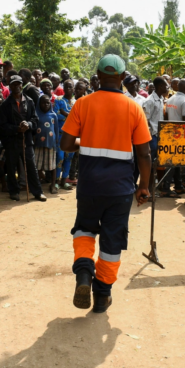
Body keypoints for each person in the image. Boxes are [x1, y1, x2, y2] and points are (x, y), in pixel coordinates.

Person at [60, 54, 152, 314]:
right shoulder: (134, 107)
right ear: (122, 77)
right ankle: (102, 296)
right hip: (120, 190)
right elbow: (144, 153)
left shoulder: (83, 103)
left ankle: (84, 274)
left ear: (98, 76)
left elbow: (66, 144)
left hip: (89, 186)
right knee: (112, 242)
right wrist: (143, 186)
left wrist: (87, 143)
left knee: (84, 230)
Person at [0, 75, 46, 202]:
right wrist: (16, 129)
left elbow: (35, 120)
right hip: (12, 141)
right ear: (10, 86)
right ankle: (14, 191)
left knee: (31, 166)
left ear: (21, 85)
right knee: (11, 167)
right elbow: (2, 126)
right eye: (14, 84)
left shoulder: (29, 101)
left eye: (19, 84)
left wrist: (28, 124)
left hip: (27, 140)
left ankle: (37, 192)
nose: (17, 86)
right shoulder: (5, 105)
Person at [161, 78, 185, 197]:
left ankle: (178, 186)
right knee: (173, 163)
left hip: (170, 134)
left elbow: (166, 117)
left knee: (176, 162)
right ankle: (166, 188)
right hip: (180, 136)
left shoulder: (170, 99)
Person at [54, 80, 76, 190]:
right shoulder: (58, 100)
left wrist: (65, 114)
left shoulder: (76, 102)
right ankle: (56, 181)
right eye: (66, 87)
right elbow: (56, 115)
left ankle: (64, 181)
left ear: (73, 88)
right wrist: (69, 116)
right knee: (60, 157)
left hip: (72, 135)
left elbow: (78, 118)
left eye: (70, 87)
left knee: (69, 157)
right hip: (60, 134)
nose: (68, 89)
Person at [34, 95, 59, 194]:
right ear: (39, 104)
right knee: (38, 165)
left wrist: (56, 141)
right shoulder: (36, 115)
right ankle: (38, 184)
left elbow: (56, 129)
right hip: (38, 144)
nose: (46, 105)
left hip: (50, 143)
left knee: (52, 165)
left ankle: (53, 184)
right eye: (43, 103)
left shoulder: (53, 115)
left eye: (48, 103)